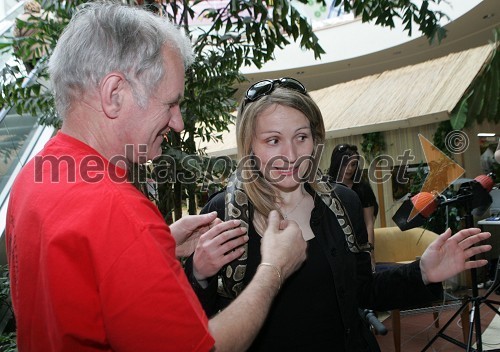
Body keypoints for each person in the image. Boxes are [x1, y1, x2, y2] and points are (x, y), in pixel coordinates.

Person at [5, 3, 307, 351]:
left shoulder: (35, 176)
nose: (178, 123)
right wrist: (274, 269)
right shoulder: (119, 213)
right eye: (170, 104)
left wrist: (155, 248)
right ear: (114, 94)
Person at [185, 77, 492, 351]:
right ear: (249, 145)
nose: (291, 155)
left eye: (301, 137)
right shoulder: (222, 211)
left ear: (316, 140)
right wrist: (198, 273)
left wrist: (422, 271)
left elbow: (363, 291)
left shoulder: (344, 202)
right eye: (273, 140)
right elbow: (196, 324)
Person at [328, 143, 378, 269]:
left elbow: (369, 223)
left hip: (359, 246)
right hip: (334, 247)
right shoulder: (325, 187)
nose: (349, 169)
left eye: (353, 164)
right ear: (337, 163)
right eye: (345, 164)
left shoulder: (362, 188)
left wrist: (370, 254)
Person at [12, 0, 52, 71]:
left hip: (28, 54)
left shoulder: (19, 19)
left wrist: (17, 52)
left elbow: (15, 39)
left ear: (26, 7)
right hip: (45, 50)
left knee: (33, 77)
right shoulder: (46, 15)